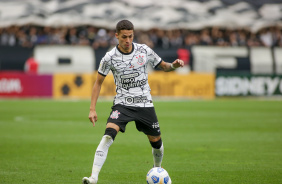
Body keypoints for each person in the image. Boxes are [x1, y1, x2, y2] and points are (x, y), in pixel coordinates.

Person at [82, 20, 184, 184]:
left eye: (130, 36)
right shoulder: (109, 57)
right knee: (108, 136)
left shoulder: (144, 50)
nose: (127, 40)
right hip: (123, 104)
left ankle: (157, 169)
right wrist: (92, 109)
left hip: (145, 103)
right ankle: (93, 177)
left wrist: (174, 65)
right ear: (116, 36)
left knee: (156, 142)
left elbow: (164, 66)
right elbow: (98, 83)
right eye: (124, 37)